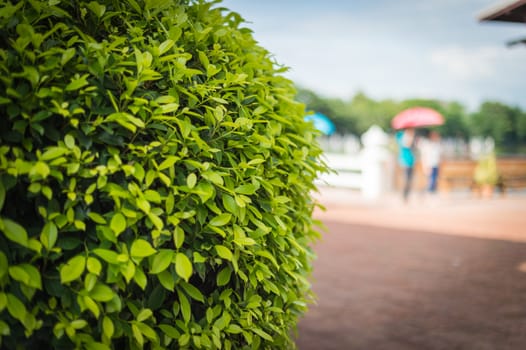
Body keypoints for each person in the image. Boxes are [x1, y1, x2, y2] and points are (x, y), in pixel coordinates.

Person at [396, 128, 416, 202]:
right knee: (406, 179)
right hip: (405, 161)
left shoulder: (403, 137)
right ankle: (404, 196)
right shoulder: (402, 137)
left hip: (410, 161)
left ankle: (406, 195)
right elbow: (407, 145)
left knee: (409, 179)